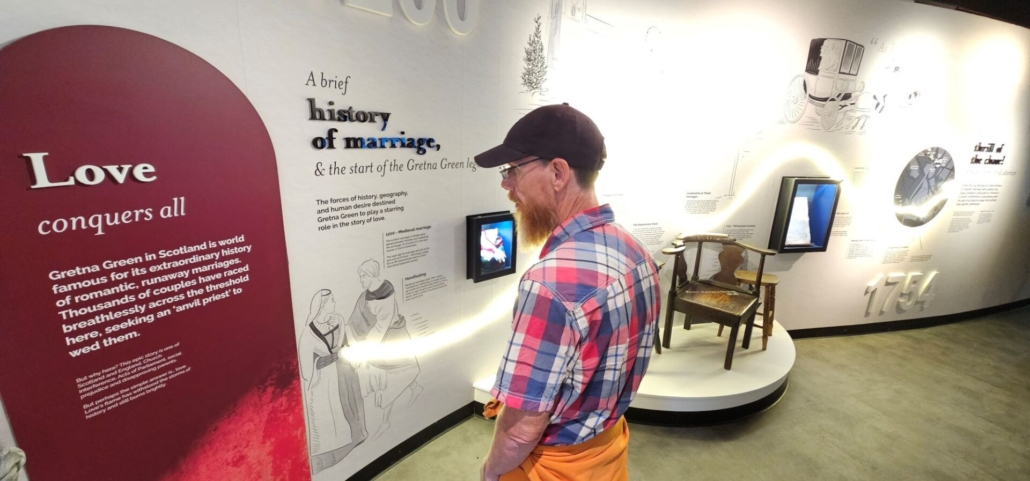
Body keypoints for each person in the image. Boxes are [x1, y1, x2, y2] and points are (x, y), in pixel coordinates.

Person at [473, 103, 661, 481]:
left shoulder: (549, 284)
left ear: (558, 172)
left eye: (512, 170)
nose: (506, 185)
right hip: (609, 451)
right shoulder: (637, 253)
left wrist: (490, 471)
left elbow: (523, 426)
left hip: (553, 468)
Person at [346, 260, 424, 440]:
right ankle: (415, 387)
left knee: (388, 383)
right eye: (360, 276)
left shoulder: (386, 295)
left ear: (372, 275)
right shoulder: (366, 295)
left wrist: (365, 350)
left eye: (363, 276)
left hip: (392, 339)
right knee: (392, 378)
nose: (361, 279)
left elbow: (381, 327)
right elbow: (356, 319)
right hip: (380, 341)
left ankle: (384, 422)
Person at [297, 289, 366, 474]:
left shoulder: (339, 320)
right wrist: (320, 370)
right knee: (332, 416)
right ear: (321, 306)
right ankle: (331, 455)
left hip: (343, 370)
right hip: (324, 380)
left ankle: (356, 438)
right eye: (331, 301)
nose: (334, 303)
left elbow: (345, 342)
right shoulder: (308, 334)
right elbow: (306, 369)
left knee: (350, 403)